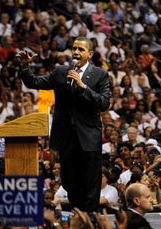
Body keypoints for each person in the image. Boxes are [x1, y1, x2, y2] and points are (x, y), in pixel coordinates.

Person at [17, 36, 111, 212]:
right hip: (66, 137)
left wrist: (83, 86)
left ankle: (89, 218)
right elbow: (34, 82)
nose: (76, 52)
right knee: (69, 180)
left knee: (90, 181)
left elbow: (104, 103)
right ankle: (77, 214)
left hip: (89, 137)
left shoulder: (100, 75)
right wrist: (25, 67)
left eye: (80, 49)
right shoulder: (60, 72)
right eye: (74, 48)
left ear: (90, 53)